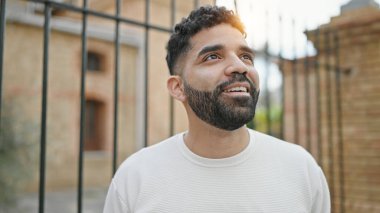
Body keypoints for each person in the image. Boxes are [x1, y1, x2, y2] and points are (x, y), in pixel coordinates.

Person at [103, 5, 330, 213]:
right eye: (213, 57)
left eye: (245, 56)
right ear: (178, 87)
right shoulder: (134, 178)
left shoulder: (301, 168)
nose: (240, 66)